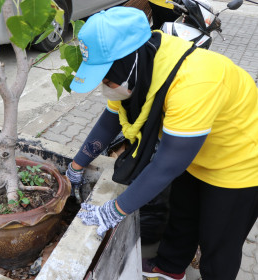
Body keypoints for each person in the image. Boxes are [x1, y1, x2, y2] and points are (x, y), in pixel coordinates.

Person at [65, 7, 258, 280]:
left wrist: (114, 210)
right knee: (182, 217)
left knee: (219, 242)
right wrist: (75, 165)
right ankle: (170, 268)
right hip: (195, 153)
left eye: (107, 77)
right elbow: (110, 120)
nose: (105, 86)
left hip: (238, 162)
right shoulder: (139, 64)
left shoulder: (194, 81)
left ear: (128, 62)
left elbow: (167, 163)